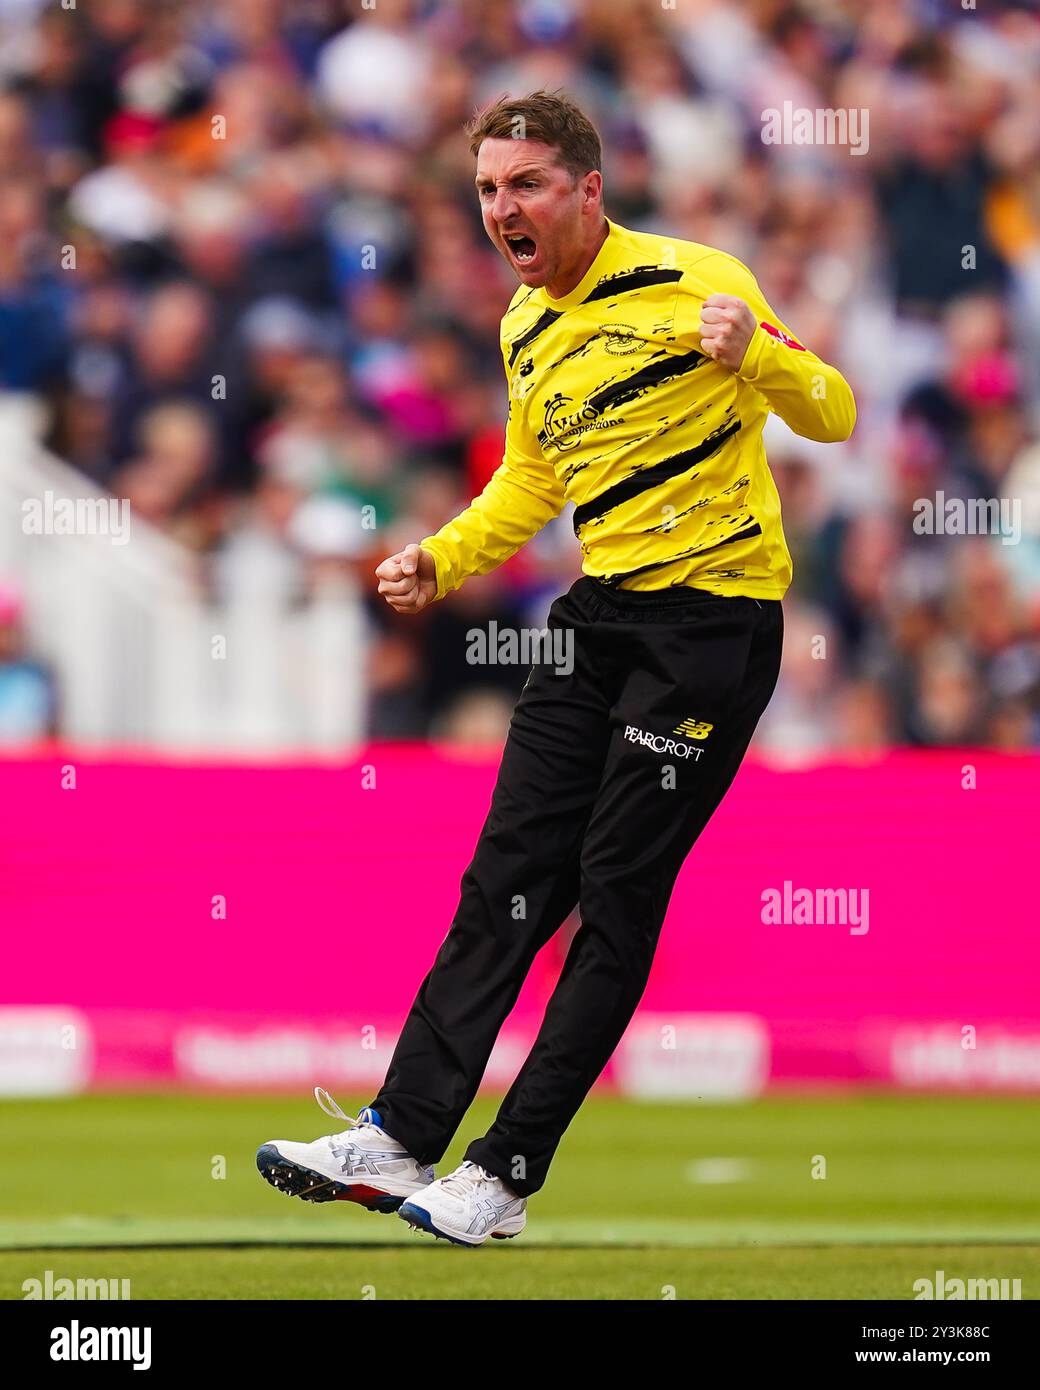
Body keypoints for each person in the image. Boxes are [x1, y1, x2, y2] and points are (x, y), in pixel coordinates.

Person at [256, 89, 856, 1246]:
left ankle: (505, 1172)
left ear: (588, 188)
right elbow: (533, 480)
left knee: (614, 893)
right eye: (486, 189)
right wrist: (443, 555)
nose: (500, 209)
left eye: (523, 184)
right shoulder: (525, 323)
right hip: (599, 617)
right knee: (505, 879)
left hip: (711, 627)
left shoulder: (698, 281)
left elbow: (831, 408)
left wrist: (765, 365)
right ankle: (399, 1129)